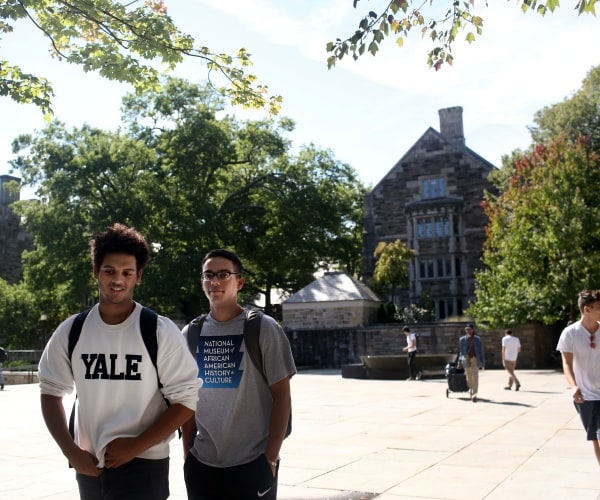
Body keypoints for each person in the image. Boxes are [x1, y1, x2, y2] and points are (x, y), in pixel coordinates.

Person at [38, 223, 201, 500]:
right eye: (109, 271)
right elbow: (51, 392)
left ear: (138, 276)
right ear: (95, 272)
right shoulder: (72, 330)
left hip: (145, 466)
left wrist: (136, 445)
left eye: (127, 273)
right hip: (91, 466)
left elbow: (186, 401)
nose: (117, 280)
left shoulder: (158, 330)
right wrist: (71, 451)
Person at [182, 249, 296, 500]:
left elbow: (282, 396)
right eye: (208, 275)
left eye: (224, 274)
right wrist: (188, 457)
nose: (215, 282)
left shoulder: (263, 328)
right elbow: (186, 399)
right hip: (202, 465)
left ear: (239, 282)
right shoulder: (191, 333)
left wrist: (270, 457)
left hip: (252, 463)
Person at [557, 289, 600, 466]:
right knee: (596, 437)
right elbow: (566, 363)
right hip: (586, 396)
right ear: (587, 309)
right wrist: (573, 386)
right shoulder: (570, 333)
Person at [458, 323, 485, 402]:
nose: (468, 331)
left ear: (473, 330)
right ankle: (471, 389)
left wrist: (482, 363)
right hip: (465, 358)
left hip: (475, 358)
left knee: (475, 376)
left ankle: (474, 394)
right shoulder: (462, 339)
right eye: (467, 329)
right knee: (468, 376)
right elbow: (461, 351)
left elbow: (481, 351)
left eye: (469, 329)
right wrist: (459, 362)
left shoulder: (477, 339)